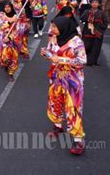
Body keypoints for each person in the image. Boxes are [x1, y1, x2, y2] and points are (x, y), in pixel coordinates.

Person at [41, 16, 87, 155]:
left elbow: (82, 60)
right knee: (56, 102)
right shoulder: (53, 39)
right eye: (52, 27)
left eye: (54, 27)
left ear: (63, 27)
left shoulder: (76, 42)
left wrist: (61, 59)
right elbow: (52, 55)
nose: (52, 29)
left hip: (73, 81)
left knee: (73, 107)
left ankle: (78, 138)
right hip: (57, 78)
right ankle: (58, 126)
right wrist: (46, 53)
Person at [80, 0, 108, 66]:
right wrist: (88, 17)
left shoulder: (102, 13)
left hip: (97, 32)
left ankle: (93, 61)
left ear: (99, 4)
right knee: (87, 46)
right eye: (93, 2)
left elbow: (105, 23)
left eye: (96, 2)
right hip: (87, 32)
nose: (94, 4)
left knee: (96, 48)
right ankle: (86, 59)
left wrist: (97, 23)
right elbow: (82, 19)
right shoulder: (87, 11)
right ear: (90, 4)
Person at [0, 3, 20, 82]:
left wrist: (10, 37)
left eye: (9, 7)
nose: (7, 8)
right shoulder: (1, 16)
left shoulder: (15, 16)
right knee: (5, 57)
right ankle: (5, 65)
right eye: (5, 7)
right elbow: (1, 27)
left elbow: (17, 30)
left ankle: (11, 73)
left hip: (13, 40)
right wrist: (10, 22)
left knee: (14, 57)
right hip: (3, 39)